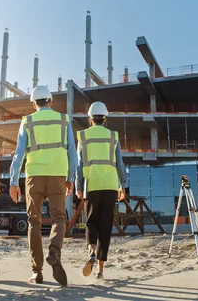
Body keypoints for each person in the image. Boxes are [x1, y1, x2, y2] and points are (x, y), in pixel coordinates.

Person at [9, 85, 76, 286]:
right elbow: (72, 151)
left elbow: (19, 153)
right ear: (51, 101)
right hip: (57, 174)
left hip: (34, 176)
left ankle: (36, 271)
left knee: (34, 221)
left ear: (33, 103)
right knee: (59, 217)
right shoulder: (64, 120)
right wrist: (71, 177)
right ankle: (54, 251)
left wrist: (13, 181)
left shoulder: (27, 121)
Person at [75, 101, 127, 280]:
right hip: (111, 184)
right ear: (105, 119)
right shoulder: (113, 136)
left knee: (91, 222)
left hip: (92, 183)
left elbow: (79, 164)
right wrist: (122, 185)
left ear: (90, 119)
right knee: (105, 226)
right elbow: (119, 164)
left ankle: (91, 251)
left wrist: (78, 186)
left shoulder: (83, 136)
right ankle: (100, 270)